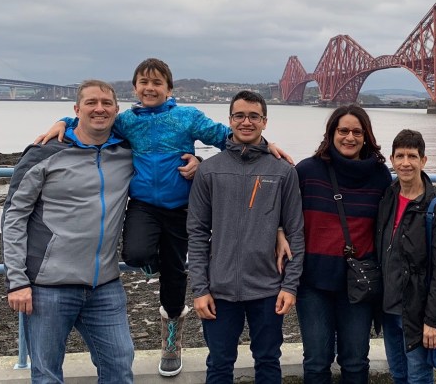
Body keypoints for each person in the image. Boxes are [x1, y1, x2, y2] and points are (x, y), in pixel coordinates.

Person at [35, 58, 290, 377]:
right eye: (143, 82)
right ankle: (156, 264)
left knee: (174, 273)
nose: (150, 88)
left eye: (157, 83)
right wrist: (62, 122)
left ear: (169, 89)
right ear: (135, 88)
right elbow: (94, 120)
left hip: (180, 207)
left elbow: (230, 135)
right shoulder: (126, 121)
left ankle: (172, 338)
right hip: (143, 204)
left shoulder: (186, 117)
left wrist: (267, 147)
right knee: (136, 253)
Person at [1, 80, 135, 383]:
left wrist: (196, 163)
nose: (99, 108)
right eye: (90, 103)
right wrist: (16, 281)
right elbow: (13, 216)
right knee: (47, 375)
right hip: (48, 287)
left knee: (120, 368)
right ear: (77, 110)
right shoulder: (43, 154)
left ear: (116, 109)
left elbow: (163, 155)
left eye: (106, 103)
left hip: (105, 286)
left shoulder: (127, 152)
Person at [188, 90, 305, 384]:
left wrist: (290, 286)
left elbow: (296, 231)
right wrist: (200, 289)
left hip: (267, 288)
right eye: (239, 115)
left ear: (265, 121)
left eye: (254, 116)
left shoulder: (282, 171)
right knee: (219, 363)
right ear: (230, 120)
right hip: (220, 289)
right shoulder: (209, 170)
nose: (246, 122)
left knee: (267, 361)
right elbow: (198, 232)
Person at [293, 104, 392, 384]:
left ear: (366, 136)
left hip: (359, 284)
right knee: (316, 362)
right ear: (331, 133)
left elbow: (393, 221)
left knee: (355, 361)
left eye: (357, 132)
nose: (349, 137)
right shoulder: (307, 171)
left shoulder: (380, 176)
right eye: (343, 130)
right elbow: (281, 213)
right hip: (313, 282)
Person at [375, 129, 436, 384]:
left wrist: (433, 321)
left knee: (419, 377)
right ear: (391, 159)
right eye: (400, 156)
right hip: (388, 309)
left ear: (424, 160)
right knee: (398, 374)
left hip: (417, 312)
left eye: (412, 156)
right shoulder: (387, 196)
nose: (405, 163)